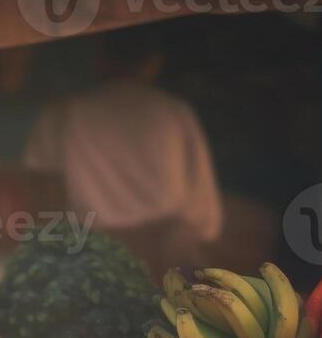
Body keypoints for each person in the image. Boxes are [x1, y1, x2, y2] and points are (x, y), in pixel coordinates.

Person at [21, 26, 224, 271]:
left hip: (92, 260)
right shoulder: (174, 111)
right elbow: (204, 213)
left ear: (99, 58)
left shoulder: (65, 112)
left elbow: (42, 194)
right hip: (164, 261)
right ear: (153, 62)